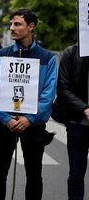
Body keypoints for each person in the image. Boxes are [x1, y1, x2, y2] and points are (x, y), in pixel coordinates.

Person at [0, 8, 57, 200]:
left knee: (34, 175)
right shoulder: (1, 55)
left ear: (31, 26)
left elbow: (48, 93)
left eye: (17, 24)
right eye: (11, 24)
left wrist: (30, 118)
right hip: (5, 123)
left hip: (33, 125)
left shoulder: (47, 58)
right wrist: (4, 118)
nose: (12, 28)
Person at [52, 43, 89, 200]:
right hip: (77, 124)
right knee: (76, 174)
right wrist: (85, 109)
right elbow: (63, 88)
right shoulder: (72, 53)